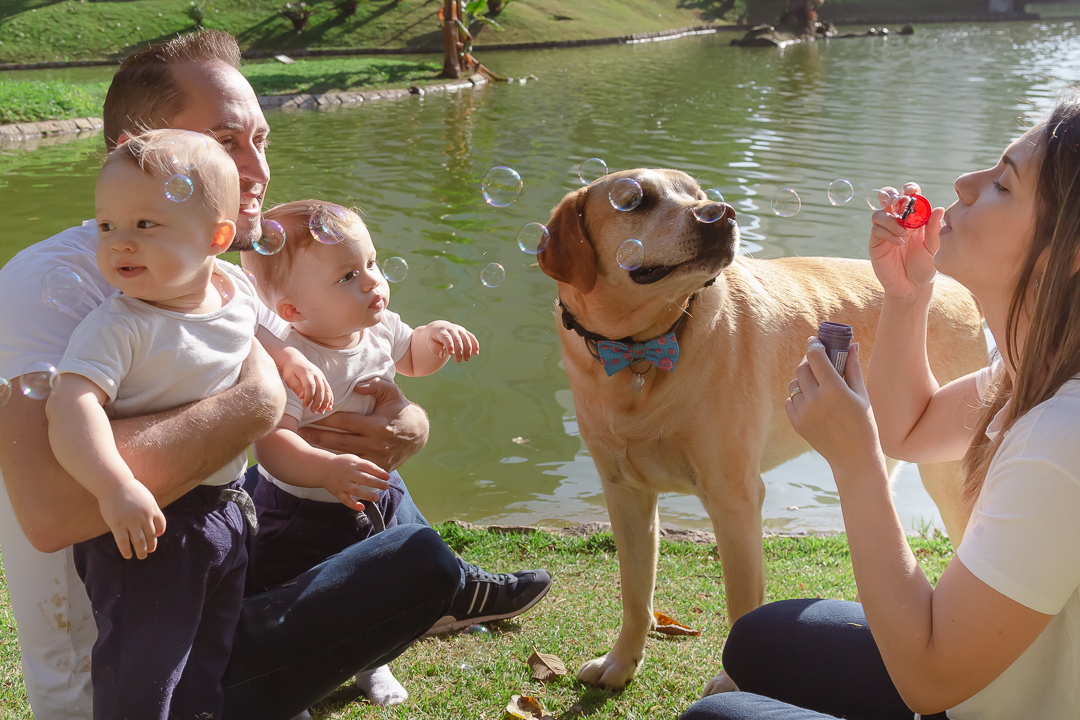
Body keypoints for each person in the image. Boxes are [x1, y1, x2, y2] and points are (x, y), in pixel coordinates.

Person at [0, 29, 539, 720]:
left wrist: (403, 421)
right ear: (136, 150)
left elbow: (339, 372)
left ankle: (446, 591)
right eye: (227, 142)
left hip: (214, 584)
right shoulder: (49, 285)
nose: (256, 169)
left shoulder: (215, 276)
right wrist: (258, 396)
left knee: (375, 505)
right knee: (420, 567)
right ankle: (446, 591)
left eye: (261, 140)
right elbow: (48, 509)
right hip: (128, 665)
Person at [683, 94, 1080, 719]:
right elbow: (911, 428)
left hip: (974, 699)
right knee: (756, 638)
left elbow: (929, 678)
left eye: (1003, 185)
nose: (964, 183)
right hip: (989, 683)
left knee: (714, 717)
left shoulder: (1061, 437)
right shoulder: (1041, 370)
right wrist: (907, 291)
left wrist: (855, 465)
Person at [43, 129, 331, 718]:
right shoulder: (119, 325)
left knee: (206, 661)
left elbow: (252, 329)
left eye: (145, 224)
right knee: (142, 674)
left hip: (225, 507)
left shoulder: (230, 286)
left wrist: (290, 359)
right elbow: (70, 406)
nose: (120, 242)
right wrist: (115, 487)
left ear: (217, 239)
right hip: (151, 522)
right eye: (106, 225)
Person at [239, 199, 483, 705]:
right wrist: (325, 468)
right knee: (300, 600)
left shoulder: (381, 326)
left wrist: (435, 339)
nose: (373, 281)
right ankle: (289, 687)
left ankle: (371, 662)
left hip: (367, 497)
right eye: (348, 276)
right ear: (292, 311)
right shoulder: (297, 364)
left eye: (371, 263)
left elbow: (412, 358)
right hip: (299, 511)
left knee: (371, 587)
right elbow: (273, 443)